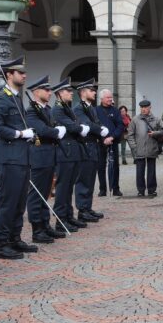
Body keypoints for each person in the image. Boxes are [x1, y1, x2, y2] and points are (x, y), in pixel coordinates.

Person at [0, 57, 38, 261]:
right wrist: (20, 134)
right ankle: (2, 243)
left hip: (21, 156)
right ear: (9, 74)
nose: (24, 75)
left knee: (19, 202)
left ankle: (14, 238)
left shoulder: (16, 97)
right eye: (20, 72)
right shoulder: (1, 97)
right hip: (9, 157)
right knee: (8, 202)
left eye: (24, 72)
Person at [24, 75, 67, 244]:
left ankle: (45, 224)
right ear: (36, 92)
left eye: (50, 90)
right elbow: (40, 130)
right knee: (36, 194)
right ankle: (37, 229)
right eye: (46, 90)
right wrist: (56, 132)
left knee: (46, 193)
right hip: (39, 157)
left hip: (50, 156)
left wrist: (54, 130)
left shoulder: (47, 110)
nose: (50, 92)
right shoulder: (31, 111)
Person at [51, 79, 87, 231]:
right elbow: (71, 126)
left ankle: (68, 216)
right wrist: (80, 128)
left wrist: (78, 127)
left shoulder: (66, 107)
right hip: (64, 152)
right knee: (63, 187)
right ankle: (60, 219)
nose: (71, 93)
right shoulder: (57, 109)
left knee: (69, 186)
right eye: (68, 91)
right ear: (59, 93)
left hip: (72, 151)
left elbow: (74, 123)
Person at [73, 80, 110, 222]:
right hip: (85, 146)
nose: (94, 92)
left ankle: (87, 207)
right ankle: (82, 210)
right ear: (83, 92)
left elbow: (96, 122)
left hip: (93, 146)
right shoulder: (78, 109)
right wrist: (101, 130)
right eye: (91, 90)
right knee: (83, 179)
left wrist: (103, 133)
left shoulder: (91, 108)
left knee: (90, 179)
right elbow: (87, 124)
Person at [127, 100, 163, 198]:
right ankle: (141, 190)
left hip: (152, 148)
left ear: (150, 108)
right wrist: (134, 147)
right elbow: (130, 135)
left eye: (145, 107)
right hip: (139, 149)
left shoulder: (156, 119)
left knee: (151, 171)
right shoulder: (135, 120)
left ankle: (152, 190)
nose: (143, 109)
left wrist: (155, 133)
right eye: (142, 107)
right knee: (140, 171)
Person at [95, 89, 125, 197]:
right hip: (101, 142)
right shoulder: (96, 110)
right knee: (101, 166)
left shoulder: (115, 111)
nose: (110, 99)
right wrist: (102, 138)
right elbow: (94, 126)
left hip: (113, 141)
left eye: (111, 97)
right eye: (108, 97)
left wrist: (112, 137)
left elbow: (120, 126)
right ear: (102, 98)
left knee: (115, 166)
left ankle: (115, 188)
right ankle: (102, 189)